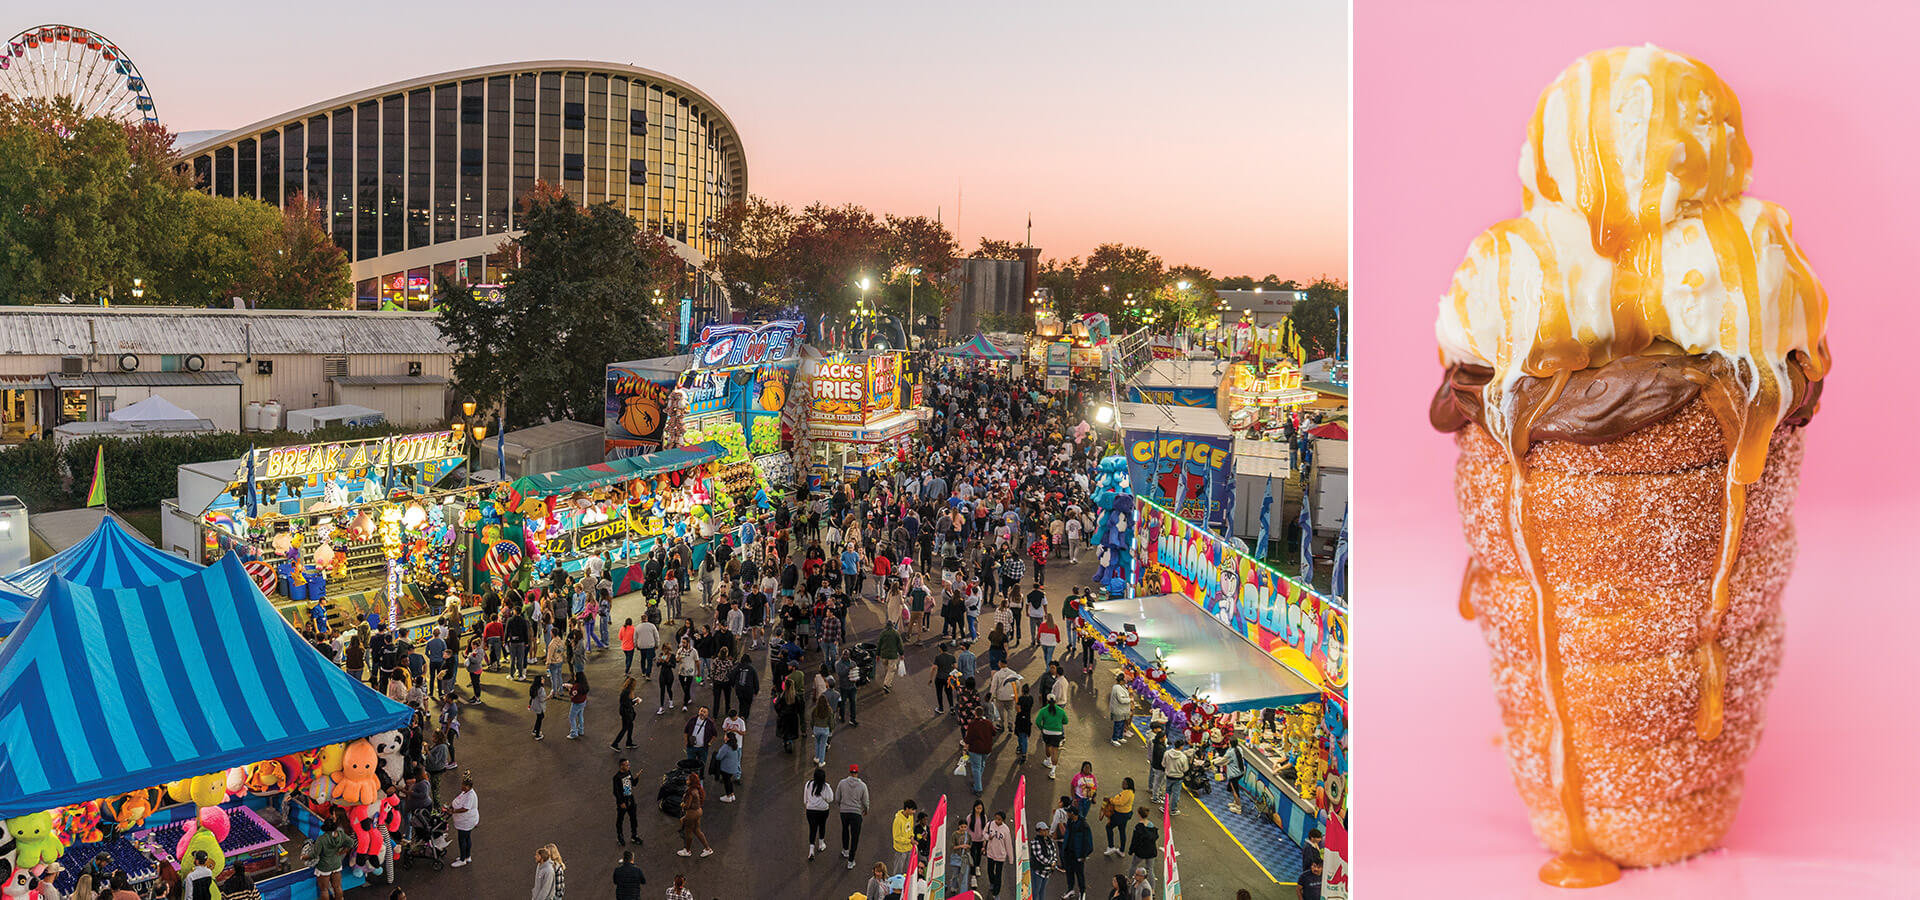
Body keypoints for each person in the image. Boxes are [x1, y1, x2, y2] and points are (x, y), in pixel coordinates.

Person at [836, 763, 870, 869]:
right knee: (855, 836)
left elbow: (837, 798)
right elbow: (865, 800)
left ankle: (845, 850)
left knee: (845, 830)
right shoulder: (862, 786)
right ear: (857, 772)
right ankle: (851, 861)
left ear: (850, 772)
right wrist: (866, 809)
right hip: (856, 813)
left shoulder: (842, 783)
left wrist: (841, 806)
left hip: (844, 812)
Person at [675, 771, 714, 858]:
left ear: (691, 781)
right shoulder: (697, 789)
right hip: (698, 812)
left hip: (691, 814)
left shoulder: (690, 792)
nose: (686, 780)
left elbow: (687, 806)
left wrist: (682, 804)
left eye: (688, 779)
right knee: (697, 830)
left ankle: (687, 851)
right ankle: (708, 849)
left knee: (688, 832)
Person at [1060, 805, 1093, 900]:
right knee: (1069, 873)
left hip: (1078, 856)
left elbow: (1089, 843)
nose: (1066, 814)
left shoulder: (1083, 826)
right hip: (1068, 853)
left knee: (1079, 874)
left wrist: (1083, 856)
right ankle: (1070, 889)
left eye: (1068, 812)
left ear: (1072, 814)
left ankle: (1082, 892)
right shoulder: (1070, 822)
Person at [802, 767, 834, 861]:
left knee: (812, 829)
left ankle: (811, 850)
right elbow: (830, 799)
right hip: (823, 811)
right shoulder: (826, 787)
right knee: (822, 826)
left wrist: (808, 805)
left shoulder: (808, 784)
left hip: (811, 811)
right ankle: (821, 844)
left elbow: (805, 799)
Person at [963, 709, 997, 795]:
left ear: (975, 714)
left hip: (975, 749)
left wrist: (965, 749)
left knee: (976, 768)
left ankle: (978, 788)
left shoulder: (972, 724)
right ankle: (977, 781)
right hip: (987, 749)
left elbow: (968, 738)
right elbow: (994, 733)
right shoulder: (988, 723)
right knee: (982, 764)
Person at [448, 772, 478, 867]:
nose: (462, 786)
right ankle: (467, 856)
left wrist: (453, 811)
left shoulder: (470, 796)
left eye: (464, 785)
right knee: (467, 838)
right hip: (467, 821)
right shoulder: (467, 792)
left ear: (469, 787)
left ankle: (462, 859)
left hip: (466, 822)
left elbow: (465, 809)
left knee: (462, 840)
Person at [1102, 778, 1136, 856]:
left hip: (1120, 815)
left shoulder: (1127, 793)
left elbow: (1121, 802)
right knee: (1122, 830)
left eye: (1124, 783)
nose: (1122, 784)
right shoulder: (1129, 792)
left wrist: (1110, 800)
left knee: (1109, 827)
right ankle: (1121, 850)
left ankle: (1111, 846)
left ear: (1128, 785)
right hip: (1125, 814)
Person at [983, 811, 1014, 897]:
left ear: (1003, 820)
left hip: (1000, 855)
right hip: (990, 853)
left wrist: (1011, 858)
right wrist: (987, 837)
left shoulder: (1006, 829)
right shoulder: (990, 824)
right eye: (996, 818)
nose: (997, 821)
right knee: (990, 871)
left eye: (999, 819)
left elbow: (1008, 844)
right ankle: (992, 882)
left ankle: (996, 893)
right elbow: (984, 833)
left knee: (998, 874)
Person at [1127, 807, 1159, 885]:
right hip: (1151, 851)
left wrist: (1131, 851)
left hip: (1141, 852)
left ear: (1139, 814)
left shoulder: (1138, 827)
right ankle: (1152, 889)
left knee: (1133, 865)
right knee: (1150, 869)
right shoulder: (1151, 825)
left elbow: (1134, 841)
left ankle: (1129, 880)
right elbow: (1155, 838)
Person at [612, 758, 640, 846]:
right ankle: (620, 837)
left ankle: (634, 835)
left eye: (629, 765)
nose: (629, 766)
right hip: (623, 802)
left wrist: (637, 777)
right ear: (621, 766)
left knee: (633, 818)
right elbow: (616, 792)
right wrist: (621, 803)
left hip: (630, 799)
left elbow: (633, 784)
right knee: (620, 820)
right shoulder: (617, 777)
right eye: (627, 765)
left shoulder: (628, 772)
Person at [1027, 817, 1057, 899]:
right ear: (1038, 831)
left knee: (1042, 891)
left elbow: (1054, 852)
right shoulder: (1035, 843)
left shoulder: (1049, 841)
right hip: (1038, 872)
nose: (1046, 832)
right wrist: (1052, 863)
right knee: (1035, 891)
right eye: (1043, 830)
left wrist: (1054, 861)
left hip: (1047, 872)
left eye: (1046, 830)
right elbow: (1040, 858)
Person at [1162, 740, 1190, 816]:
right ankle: (1173, 809)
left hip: (1168, 776)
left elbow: (1163, 764)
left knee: (1167, 792)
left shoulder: (1167, 753)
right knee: (1176, 794)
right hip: (1178, 778)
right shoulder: (1183, 757)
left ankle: (1164, 807)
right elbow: (1185, 769)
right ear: (1181, 746)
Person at [890, 799, 918, 877]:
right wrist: (910, 841)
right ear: (907, 809)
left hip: (909, 848)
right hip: (900, 850)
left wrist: (912, 836)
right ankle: (896, 886)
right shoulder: (898, 821)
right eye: (912, 810)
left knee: (908, 870)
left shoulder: (910, 816)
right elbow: (897, 838)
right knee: (898, 871)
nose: (914, 812)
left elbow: (911, 829)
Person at [610, 676, 638, 750]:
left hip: (625, 712)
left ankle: (629, 742)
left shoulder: (625, 691)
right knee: (625, 728)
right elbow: (628, 704)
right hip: (626, 713)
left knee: (630, 727)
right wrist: (635, 701)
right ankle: (615, 743)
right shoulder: (627, 692)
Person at [712, 732, 742, 802]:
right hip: (733, 768)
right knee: (729, 780)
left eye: (725, 735)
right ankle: (732, 794)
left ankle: (728, 796)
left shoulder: (726, 747)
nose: (724, 736)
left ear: (728, 738)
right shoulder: (736, 746)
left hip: (726, 768)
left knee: (727, 781)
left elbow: (719, 757)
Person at [1107, 674, 1133, 746]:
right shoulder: (1117, 688)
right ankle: (1114, 739)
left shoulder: (1122, 686)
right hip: (1118, 710)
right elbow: (1121, 700)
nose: (1125, 682)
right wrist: (1129, 700)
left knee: (1122, 724)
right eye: (1124, 681)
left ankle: (1120, 737)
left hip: (1123, 710)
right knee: (1118, 725)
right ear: (1121, 681)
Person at [565, 670, 590, 740]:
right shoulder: (584, 684)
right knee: (580, 715)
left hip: (577, 703)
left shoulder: (576, 686)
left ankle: (574, 733)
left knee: (571, 717)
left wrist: (569, 689)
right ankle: (581, 730)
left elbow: (572, 695)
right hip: (583, 702)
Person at [526, 673, 550, 741]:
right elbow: (542, 699)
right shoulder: (541, 689)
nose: (544, 680)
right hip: (539, 706)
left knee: (539, 717)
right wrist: (549, 697)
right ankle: (537, 735)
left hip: (534, 705)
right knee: (540, 718)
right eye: (542, 679)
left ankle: (535, 730)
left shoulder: (534, 687)